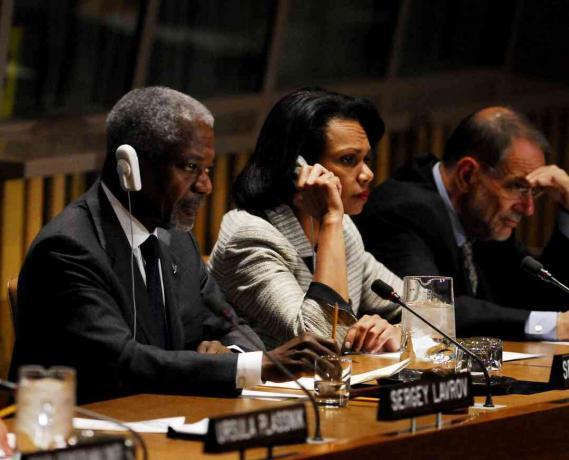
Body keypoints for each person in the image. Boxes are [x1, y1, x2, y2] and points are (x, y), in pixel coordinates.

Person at [9, 87, 339, 404]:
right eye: (190, 167)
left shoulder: (175, 237)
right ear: (130, 168)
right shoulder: (69, 248)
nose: (206, 185)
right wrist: (255, 366)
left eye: (207, 169)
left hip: (169, 421)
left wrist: (231, 355)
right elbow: (122, 361)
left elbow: (225, 323)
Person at [208, 88, 403, 352]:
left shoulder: (342, 229)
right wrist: (331, 220)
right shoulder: (249, 238)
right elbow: (320, 342)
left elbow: (427, 311)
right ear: (299, 168)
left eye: (366, 159)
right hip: (259, 392)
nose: (367, 174)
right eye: (348, 160)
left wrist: (393, 329)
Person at [354, 106, 569, 340]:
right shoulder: (402, 210)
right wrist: (553, 325)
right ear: (467, 175)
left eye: (533, 192)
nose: (528, 209)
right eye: (516, 187)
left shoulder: (482, 217)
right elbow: (433, 311)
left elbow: (542, 300)